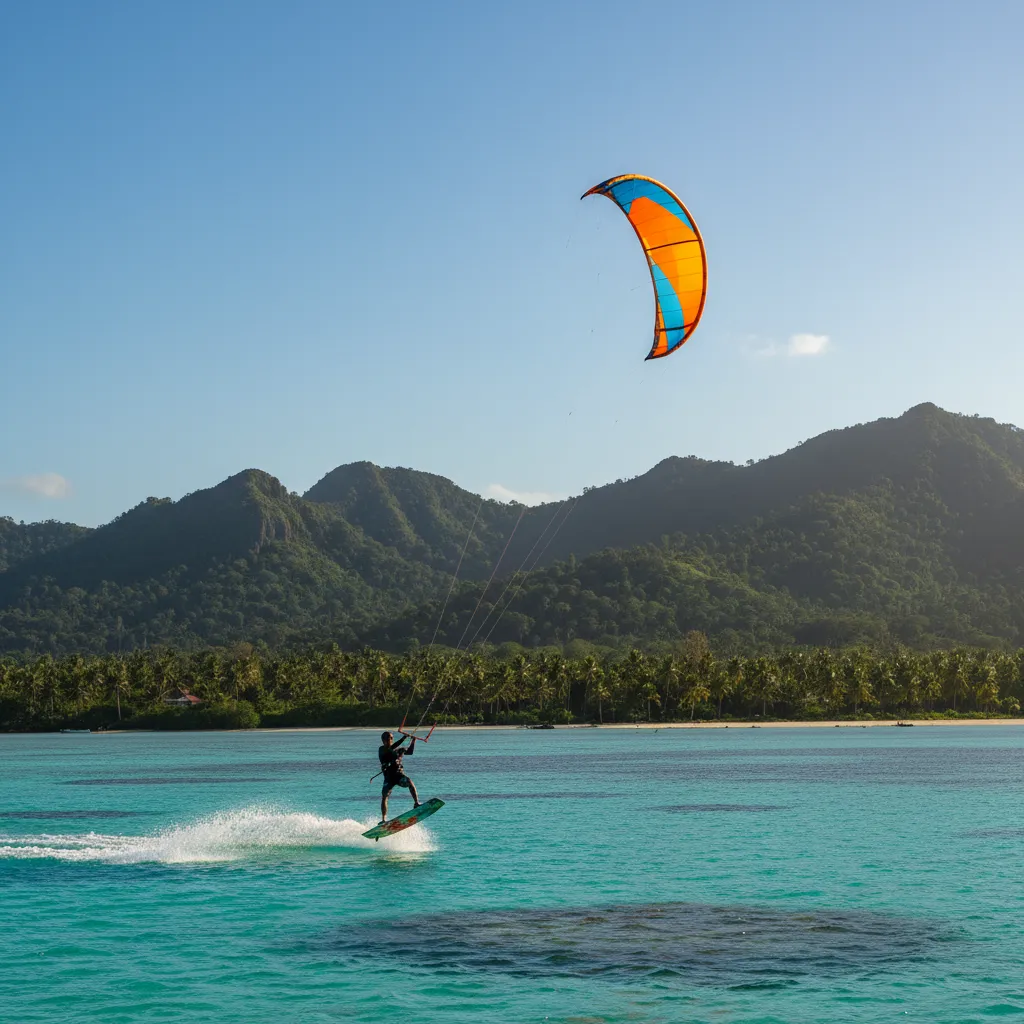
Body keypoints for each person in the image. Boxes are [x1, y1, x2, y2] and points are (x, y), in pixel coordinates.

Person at [378, 730, 421, 822]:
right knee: (384, 795)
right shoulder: (382, 749)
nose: (388, 740)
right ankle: (383, 819)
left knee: (409, 782)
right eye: (386, 739)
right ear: (383, 740)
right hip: (389, 778)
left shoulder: (399, 750)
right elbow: (391, 748)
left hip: (399, 776)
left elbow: (410, 752)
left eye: (390, 738)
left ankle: (416, 803)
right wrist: (404, 737)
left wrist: (413, 741)